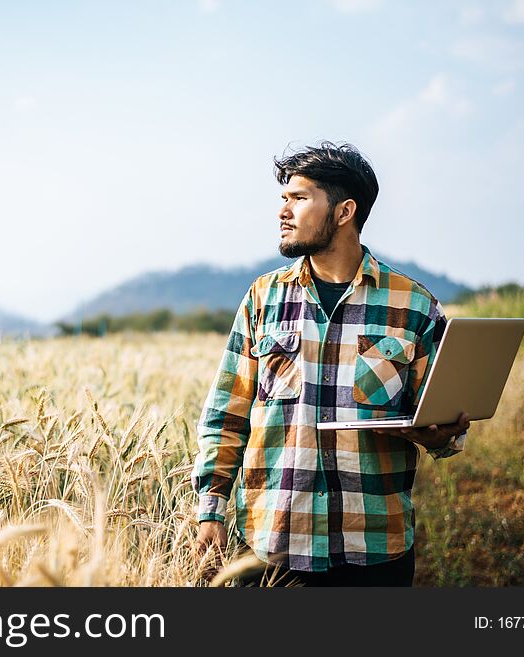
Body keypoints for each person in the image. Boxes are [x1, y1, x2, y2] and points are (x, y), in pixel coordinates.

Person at [191, 141, 469, 587]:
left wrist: (439, 434)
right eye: (283, 199)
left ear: (344, 212)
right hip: (273, 544)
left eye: (299, 199)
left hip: (374, 548)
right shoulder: (263, 298)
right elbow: (226, 415)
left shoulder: (414, 305)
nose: (283, 212)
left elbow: (445, 425)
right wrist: (211, 511)